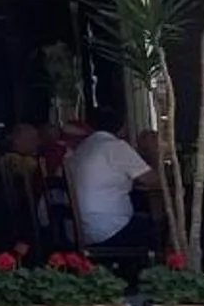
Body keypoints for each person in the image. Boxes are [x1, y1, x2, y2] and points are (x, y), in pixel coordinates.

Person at [65, 105, 155, 252]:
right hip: (108, 229)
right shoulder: (116, 147)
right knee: (154, 224)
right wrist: (153, 151)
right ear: (122, 127)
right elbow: (152, 180)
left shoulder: (82, 148)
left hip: (79, 229)